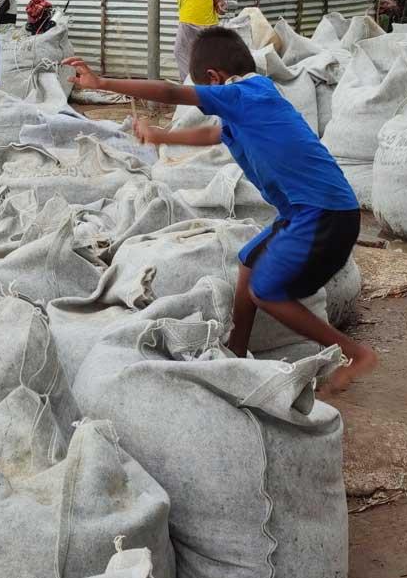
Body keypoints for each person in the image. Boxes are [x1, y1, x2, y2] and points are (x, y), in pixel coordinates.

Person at [64, 28, 378, 393]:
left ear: (214, 79)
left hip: (325, 213)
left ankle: (354, 353)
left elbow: (169, 92)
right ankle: (237, 348)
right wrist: (163, 136)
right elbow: (214, 135)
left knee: (266, 289)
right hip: (304, 213)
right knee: (248, 262)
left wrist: (103, 82)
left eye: (204, 91)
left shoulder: (248, 93)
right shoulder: (250, 103)